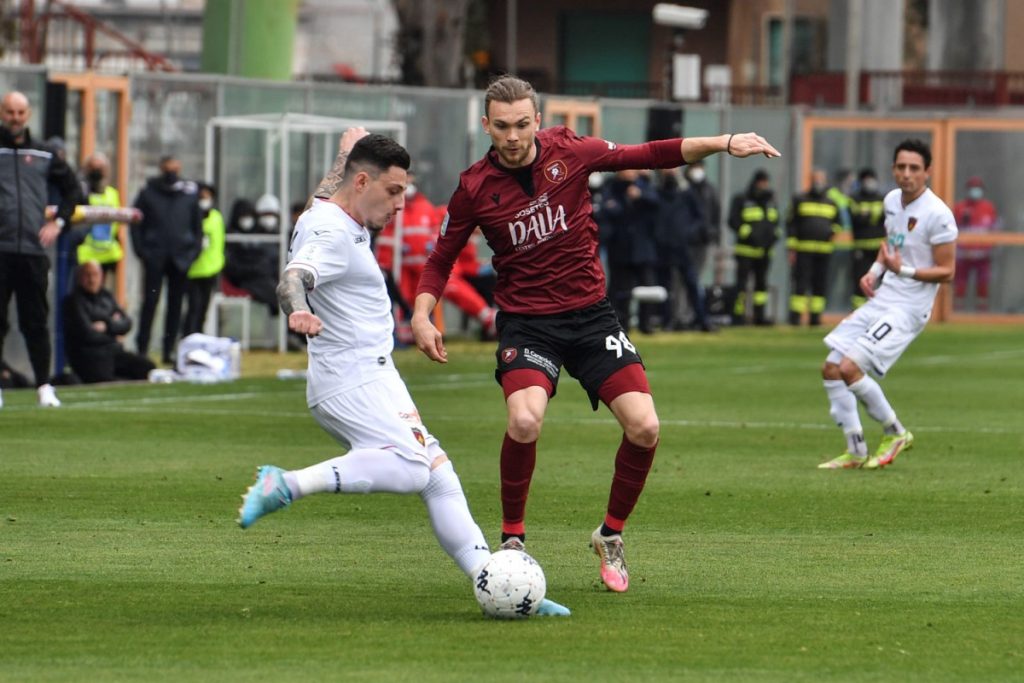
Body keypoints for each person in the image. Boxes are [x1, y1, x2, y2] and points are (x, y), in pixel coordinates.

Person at [411, 75, 780, 592]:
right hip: (529, 325)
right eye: (501, 127)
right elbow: (440, 260)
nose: (513, 136)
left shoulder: (571, 151)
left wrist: (723, 143)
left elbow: (652, 153)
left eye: (522, 124)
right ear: (486, 126)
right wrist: (422, 314)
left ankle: (610, 535)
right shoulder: (473, 187)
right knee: (524, 420)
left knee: (645, 427)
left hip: (591, 318)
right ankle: (513, 541)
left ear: (537, 120)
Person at [236, 131, 569, 617]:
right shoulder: (330, 234)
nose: (400, 205)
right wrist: (297, 310)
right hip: (351, 381)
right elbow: (294, 277)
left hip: (377, 375)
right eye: (393, 193)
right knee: (413, 468)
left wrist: (343, 156)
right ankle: (285, 484)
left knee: (437, 474)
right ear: (364, 182)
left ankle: (497, 582)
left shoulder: (326, 210)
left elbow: (327, 194)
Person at [818, 139, 957, 470]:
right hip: (885, 297)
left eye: (914, 168)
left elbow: (947, 271)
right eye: (900, 167)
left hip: (908, 309)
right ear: (893, 169)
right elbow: (891, 246)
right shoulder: (892, 200)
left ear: (927, 172)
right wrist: (874, 272)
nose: (906, 174)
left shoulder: (938, 214)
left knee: (851, 369)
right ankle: (855, 449)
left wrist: (903, 270)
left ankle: (895, 432)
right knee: (832, 368)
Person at [0, 90, 82, 409]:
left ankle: (44, 386)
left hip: (33, 252)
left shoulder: (46, 154)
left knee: (35, 320)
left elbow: (73, 190)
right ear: (2, 113)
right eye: (9, 112)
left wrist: (58, 223)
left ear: (28, 114)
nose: (15, 118)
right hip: (1, 250)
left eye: (20, 112)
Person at [131, 154, 202, 364]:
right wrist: (142, 251)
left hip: (180, 259)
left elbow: (197, 227)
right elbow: (137, 223)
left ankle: (168, 350)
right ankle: (142, 349)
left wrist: (192, 254)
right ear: (161, 168)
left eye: (174, 168)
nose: (171, 172)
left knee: (175, 306)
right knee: (150, 303)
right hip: (154, 256)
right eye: (167, 168)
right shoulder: (148, 193)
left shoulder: (188, 195)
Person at [63, 260, 155, 383]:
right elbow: (87, 334)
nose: (92, 280)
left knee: (148, 368)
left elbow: (127, 323)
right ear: (80, 278)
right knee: (109, 381)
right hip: (91, 356)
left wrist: (107, 325)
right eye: (87, 275)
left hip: (114, 352)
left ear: (101, 277)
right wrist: (113, 328)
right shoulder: (74, 301)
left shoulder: (107, 297)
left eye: (95, 275)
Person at [600, 169, 662, 334]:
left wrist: (640, 196)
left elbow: (656, 203)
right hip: (620, 248)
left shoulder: (644, 186)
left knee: (647, 287)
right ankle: (621, 322)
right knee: (620, 289)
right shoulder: (611, 187)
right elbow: (608, 209)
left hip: (642, 247)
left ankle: (646, 322)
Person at [654, 169, 713, 331]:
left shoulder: (687, 193)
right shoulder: (657, 192)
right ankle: (667, 321)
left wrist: (688, 233)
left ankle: (702, 319)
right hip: (664, 246)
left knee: (691, 283)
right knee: (665, 286)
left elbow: (701, 217)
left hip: (683, 246)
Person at [786, 168, 841, 326]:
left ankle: (815, 317)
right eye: (816, 180)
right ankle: (795, 318)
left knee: (820, 284)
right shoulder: (800, 199)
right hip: (803, 249)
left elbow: (838, 223)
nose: (819, 183)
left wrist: (831, 232)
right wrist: (792, 248)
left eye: (821, 180)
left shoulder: (831, 202)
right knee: (801, 284)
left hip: (824, 250)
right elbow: (791, 224)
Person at [728, 169, 780, 326]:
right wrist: (746, 232)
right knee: (741, 285)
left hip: (764, 252)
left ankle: (760, 316)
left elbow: (776, 222)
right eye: (761, 182)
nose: (764, 185)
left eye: (766, 182)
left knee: (761, 286)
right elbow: (732, 220)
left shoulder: (770, 201)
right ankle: (737, 316)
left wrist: (774, 236)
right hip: (746, 251)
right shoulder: (742, 199)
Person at [222, 197, 279, 316]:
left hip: (257, 277)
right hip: (241, 279)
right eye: (243, 216)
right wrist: (256, 269)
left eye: (250, 216)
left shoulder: (255, 235)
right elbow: (232, 266)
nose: (247, 220)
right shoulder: (230, 237)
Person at [182, 182, 226, 336]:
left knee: (203, 309)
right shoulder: (190, 217)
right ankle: (189, 336)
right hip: (193, 271)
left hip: (211, 270)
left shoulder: (216, 217)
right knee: (193, 308)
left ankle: (198, 336)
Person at [951, 176, 999, 311]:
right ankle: (957, 311)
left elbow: (995, 229)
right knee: (960, 284)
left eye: (977, 188)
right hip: (963, 255)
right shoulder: (959, 208)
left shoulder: (989, 208)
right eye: (972, 188)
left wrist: (992, 248)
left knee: (983, 284)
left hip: (983, 256)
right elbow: (952, 230)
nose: (975, 191)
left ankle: (982, 311)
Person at [76, 152, 124, 283]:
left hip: (107, 255)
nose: (97, 171)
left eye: (100, 168)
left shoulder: (112, 194)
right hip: (85, 254)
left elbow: (116, 226)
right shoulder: (82, 192)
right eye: (93, 167)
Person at [848, 169, 886, 309]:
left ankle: (882, 311)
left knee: (883, 281)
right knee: (860, 281)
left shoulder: (882, 198)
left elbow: (886, 219)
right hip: (861, 249)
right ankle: (857, 311)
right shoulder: (854, 199)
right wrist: (873, 216)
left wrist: (867, 215)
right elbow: (856, 219)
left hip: (879, 249)